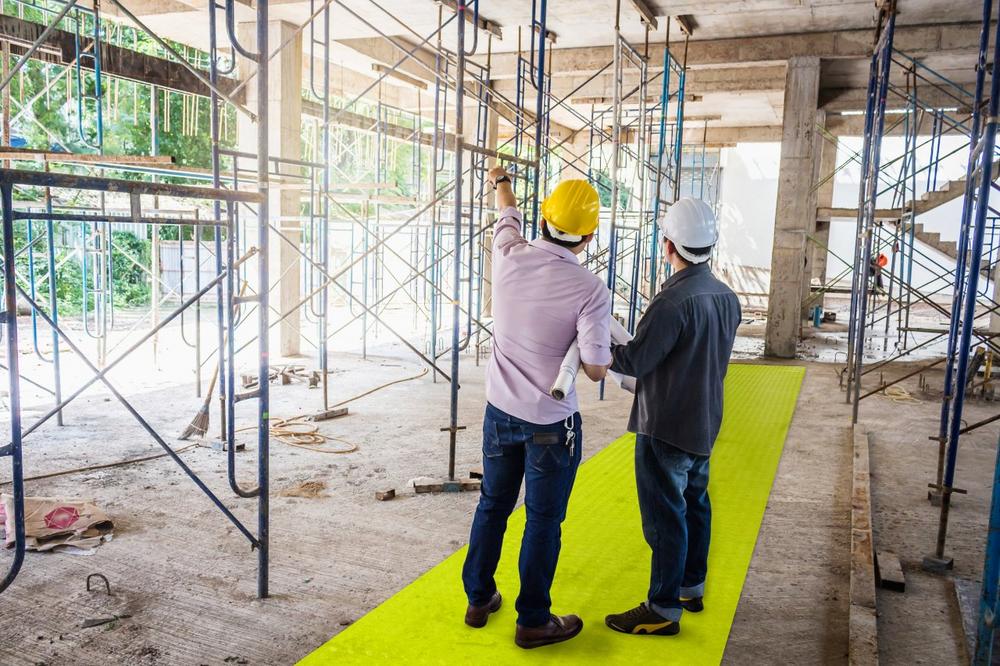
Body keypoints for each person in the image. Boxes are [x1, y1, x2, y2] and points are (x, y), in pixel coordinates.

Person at [462, 166, 611, 650]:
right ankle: (533, 620)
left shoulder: (507, 254)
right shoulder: (590, 290)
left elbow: (506, 210)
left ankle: (479, 598)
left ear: (543, 219)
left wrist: (500, 179)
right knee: (542, 521)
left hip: (498, 413)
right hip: (550, 423)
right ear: (589, 236)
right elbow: (594, 368)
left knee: (493, 506)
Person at [603, 198, 741, 637]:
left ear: (668, 245)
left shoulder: (672, 301)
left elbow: (636, 360)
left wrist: (600, 346)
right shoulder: (726, 297)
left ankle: (662, 608)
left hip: (664, 425)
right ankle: (689, 587)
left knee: (665, 518)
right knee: (696, 505)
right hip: (703, 421)